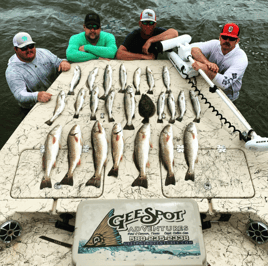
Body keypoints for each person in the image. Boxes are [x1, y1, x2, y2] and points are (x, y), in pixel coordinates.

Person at [5, 32, 71, 109]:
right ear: (15, 49)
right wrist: (36, 96)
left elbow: (58, 62)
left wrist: (63, 62)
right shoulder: (12, 71)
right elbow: (19, 94)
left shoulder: (43, 52)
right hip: (36, 105)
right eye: (24, 48)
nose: (29, 50)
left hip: (56, 93)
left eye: (31, 46)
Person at [191, 23, 248, 101]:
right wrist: (207, 63)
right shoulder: (214, 44)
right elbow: (194, 49)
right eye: (224, 37)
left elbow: (224, 84)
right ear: (220, 37)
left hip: (227, 96)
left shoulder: (241, 58)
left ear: (237, 41)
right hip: (209, 85)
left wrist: (204, 67)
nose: (227, 41)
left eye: (231, 39)